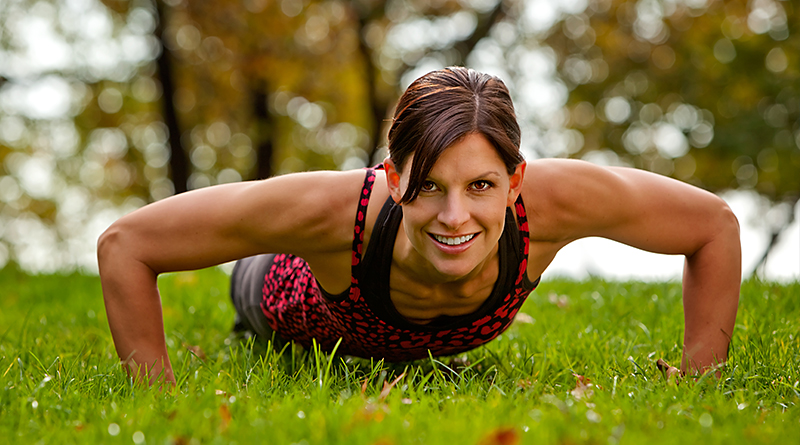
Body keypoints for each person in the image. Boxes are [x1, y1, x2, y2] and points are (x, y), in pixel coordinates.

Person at [97, 67, 741, 385]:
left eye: (481, 186)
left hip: (419, 337)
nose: (455, 216)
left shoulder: (558, 203)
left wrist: (702, 379)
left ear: (515, 181)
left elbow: (712, 225)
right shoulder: (328, 210)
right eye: (428, 185)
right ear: (394, 178)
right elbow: (126, 245)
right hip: (279, 293)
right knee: (257, 294)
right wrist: (156, 395)